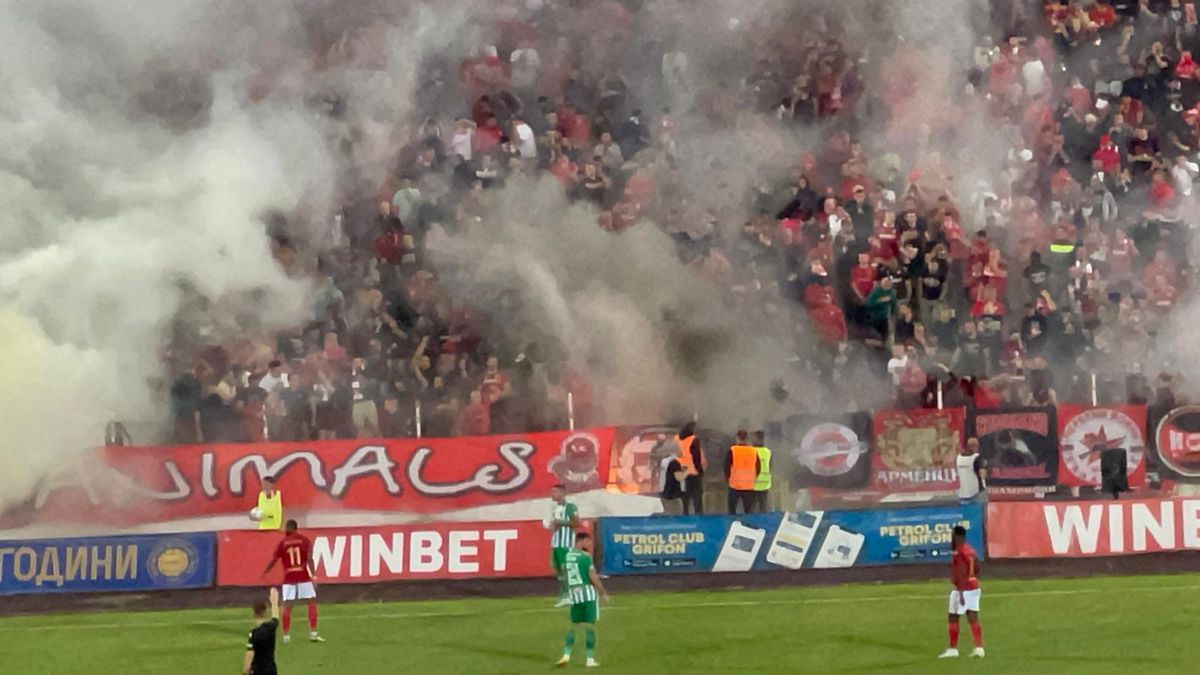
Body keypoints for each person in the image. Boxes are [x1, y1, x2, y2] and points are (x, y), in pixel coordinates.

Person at [261, 519, 323, 643]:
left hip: (289, 577)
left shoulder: (283, 543)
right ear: (296, 528)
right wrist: (314, 575)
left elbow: (274, 559)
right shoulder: (304, 540)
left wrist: (266, 571)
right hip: (303, 576)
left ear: (289, 528)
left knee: (287, 606)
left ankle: (286, 636)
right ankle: (313, 633)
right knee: (311, 603)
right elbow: (309, 558)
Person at [555, 532, 610, 668]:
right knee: (589, 627)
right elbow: (593, 577)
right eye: (588, 541)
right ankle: (590, 659)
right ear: (582, 541)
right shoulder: (585, 557)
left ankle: (566, 655)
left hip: (575, 594)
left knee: (573, 626)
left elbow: (564, 572)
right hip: (588, 594)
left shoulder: (568, 556)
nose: (590, 544)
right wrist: (603, 593)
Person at [939, 525, 984, 659]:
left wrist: (962, 591)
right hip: (974, 586)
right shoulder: (971, 550)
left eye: (952, 535)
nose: (951, 538)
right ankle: (979, 647)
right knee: (973, 617)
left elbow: (961, 573)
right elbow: (976, 568)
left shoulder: (959, 552)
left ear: (958, 536)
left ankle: (953, 649)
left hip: (963, 589)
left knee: (953, 616)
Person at [548, 484, 581, 608]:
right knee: (558, 570)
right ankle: (563, 594)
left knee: (565, 569)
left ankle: (569, 595)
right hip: (556, 542)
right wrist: (551, 525)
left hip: (566, 543)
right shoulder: (555, 508)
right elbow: (555, 526)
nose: (552, 495)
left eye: (555, 492)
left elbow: (577, 523)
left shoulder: (570, 507)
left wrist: (561, 522)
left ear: (562, 493)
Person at [244, 587, 280, 675]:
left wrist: (245, 670)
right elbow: (275, 616)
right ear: (266, 612)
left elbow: (250, 654)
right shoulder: (271, 628)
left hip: (258, 670)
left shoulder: (253, 634)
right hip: (271, 670)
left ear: (254, 614)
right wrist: (274, 602)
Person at [725, 431, 761, 514]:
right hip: (749, 485)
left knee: (732, 511)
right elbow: (758, 467)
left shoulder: (733, 450)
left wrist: (728, 479)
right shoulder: (753, 451)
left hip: (735, 484)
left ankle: (732, 525)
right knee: (748, 511)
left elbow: (727, 467)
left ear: (737, 438)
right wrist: (753, 478)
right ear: (747, 439)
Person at [675, 422, 705, 515]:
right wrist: (700, 470)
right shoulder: (693, 440)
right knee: (697, 499)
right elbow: (696, 457)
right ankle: (699, 520)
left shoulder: (677, 439)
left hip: (682, 471)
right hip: (693, 472)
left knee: (685, 497)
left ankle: (685, 519)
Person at [752, 431, 772, 513]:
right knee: (763, 507)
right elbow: (771, 466)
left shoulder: (751, 451)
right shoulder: (768, 452)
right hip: (765, 483)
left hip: (753, 482)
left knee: (751, 508)